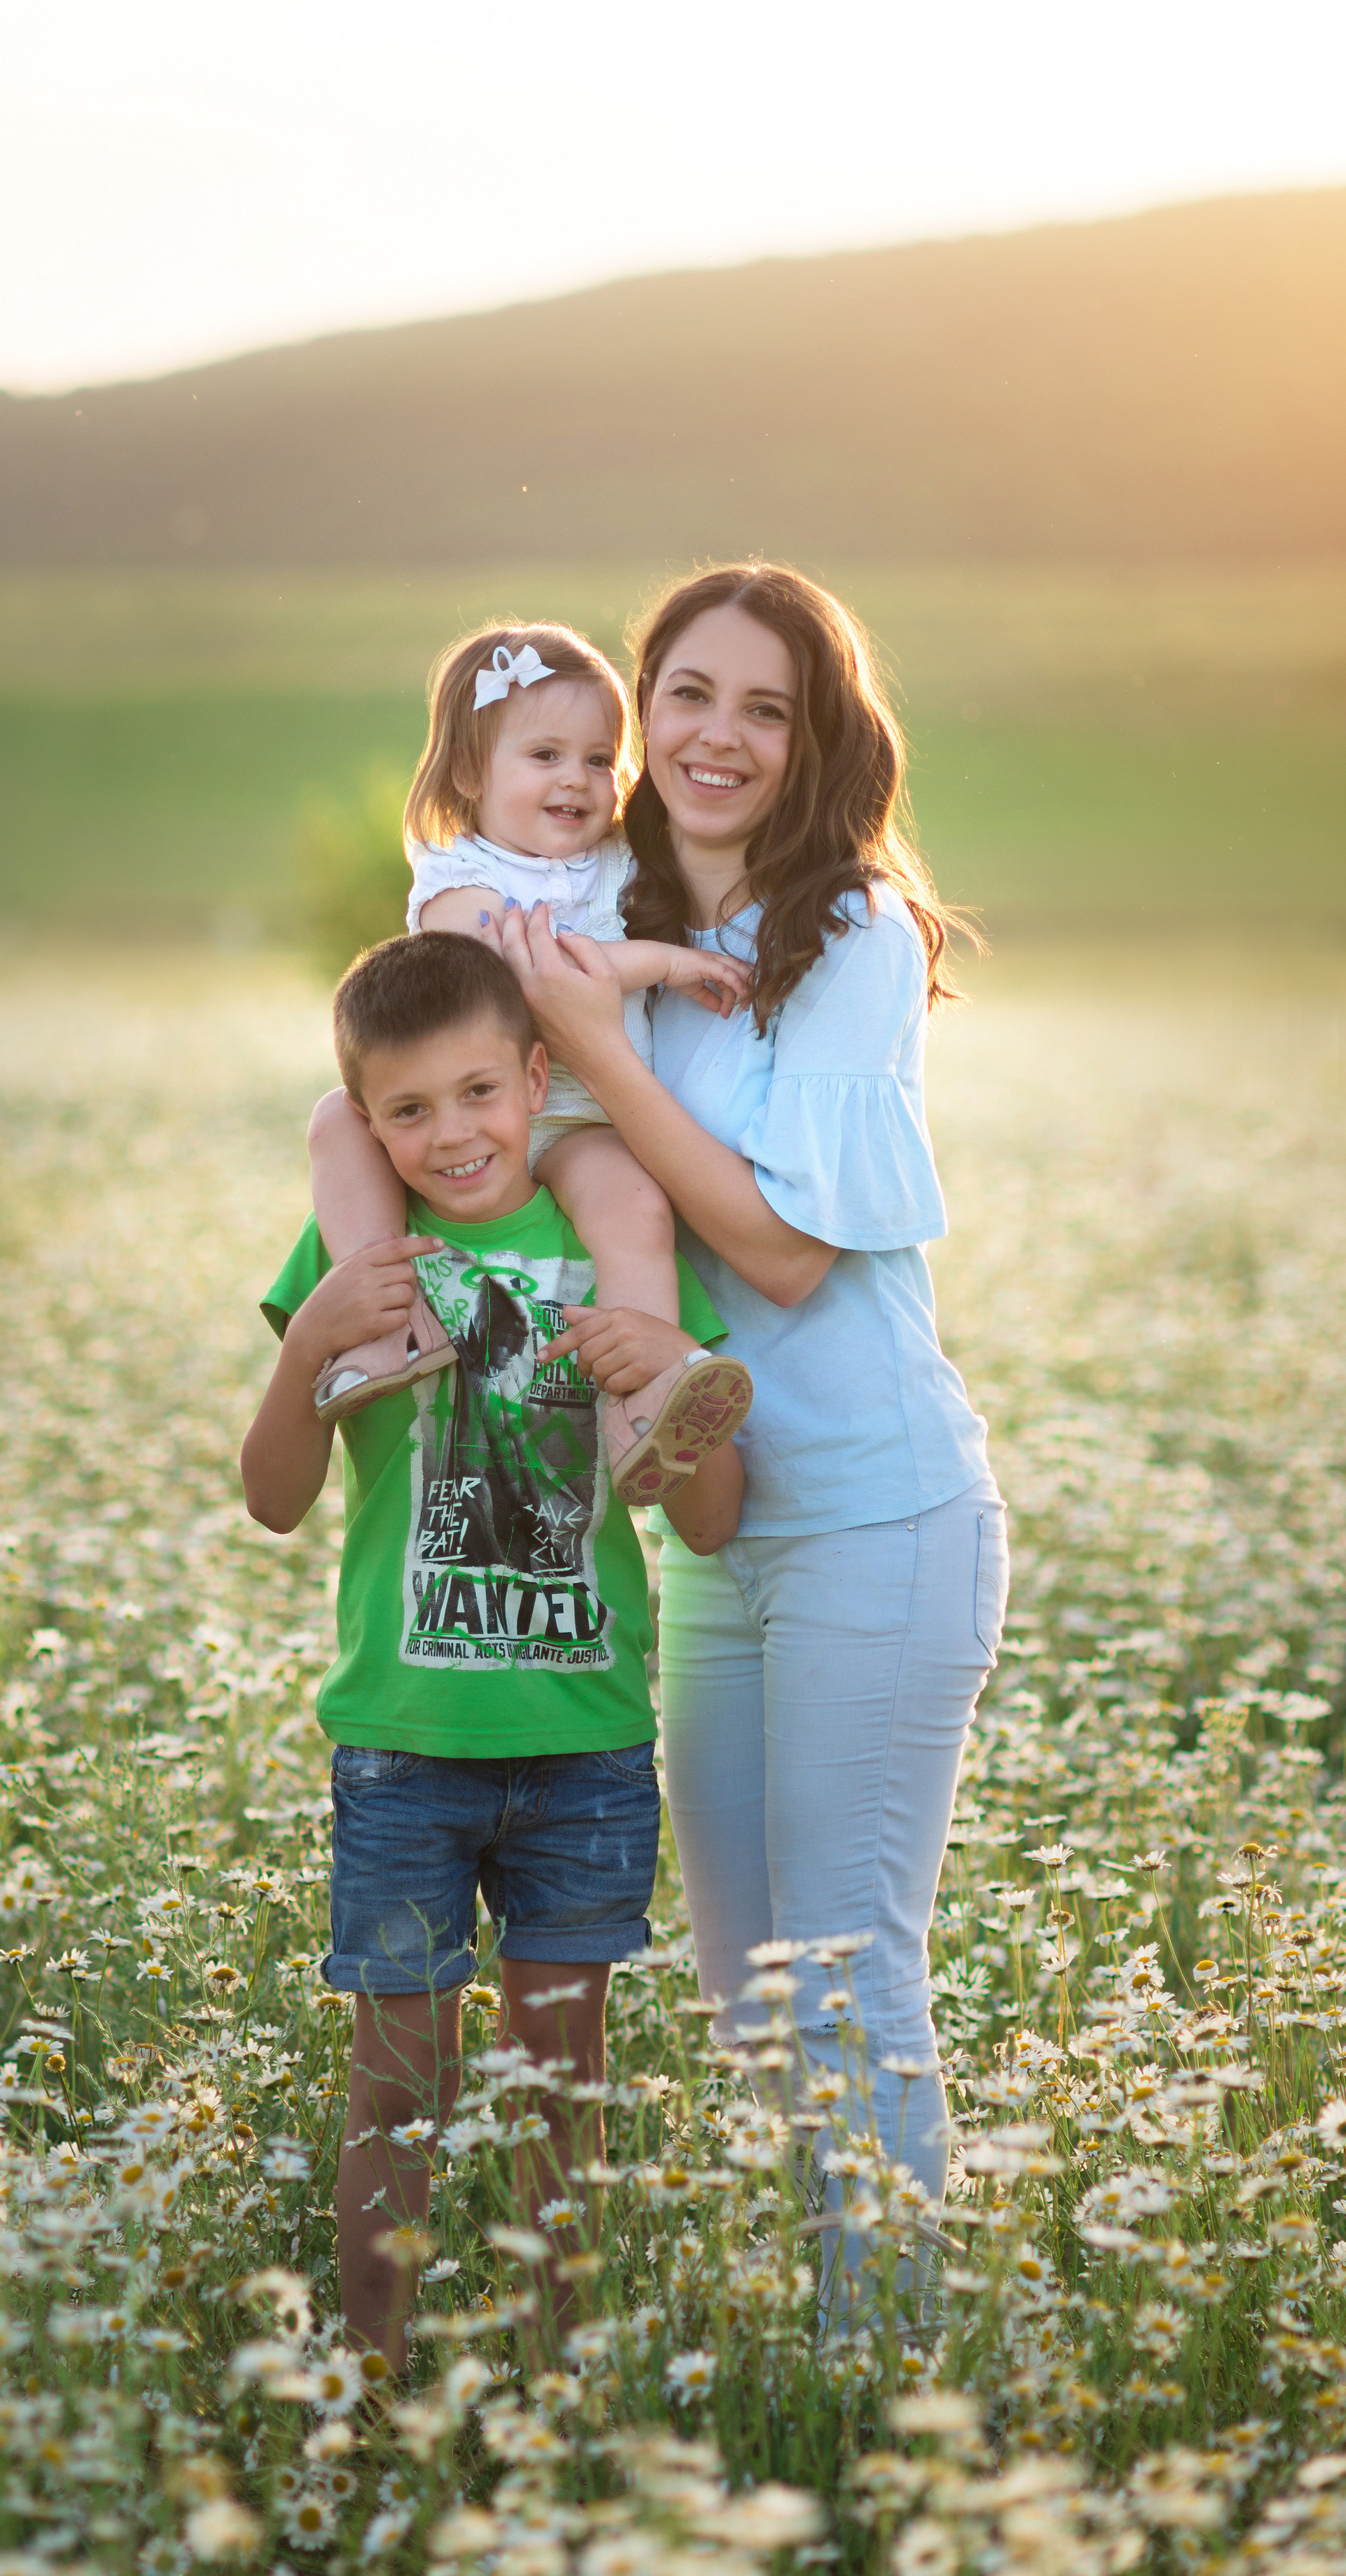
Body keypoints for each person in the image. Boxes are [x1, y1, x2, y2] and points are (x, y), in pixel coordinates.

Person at [500, 563, 1011, 2267]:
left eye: (765, 706)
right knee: (744, 1998)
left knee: (850, 1967)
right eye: (689, 696)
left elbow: (785, 1251)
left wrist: (595, 1034)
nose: (717, 736)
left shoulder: (848, 931)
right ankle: (826, 2359)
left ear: (814, 741)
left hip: (876, 1514)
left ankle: (902, 2387)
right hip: (719, 1530)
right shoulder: (616, 916)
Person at [240, 930, 745, 2371]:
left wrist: (658, 1379)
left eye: (476, 1094)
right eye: (407, 1111)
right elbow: (271, 1498)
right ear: (366, 1124)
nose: (449, 1134)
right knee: (395, 2083)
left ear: (537, 1078)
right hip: (405, 1750)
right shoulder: (358, 1259)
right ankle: (377, 2367)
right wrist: (307, 1352)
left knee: (559, 2084)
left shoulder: (610, 1253)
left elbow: (707, 1517)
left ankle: (555, 2363)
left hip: (584, 1745)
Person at [304, 621, 754, 1505]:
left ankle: (643, 1405)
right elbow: (534, 976)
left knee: (633, 1206)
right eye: (545, 755)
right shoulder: (457, 878)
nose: (576, 781)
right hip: (474, 1109)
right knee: (334, 1120)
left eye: (597, 759)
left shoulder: (619, 863)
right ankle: (377, 1333)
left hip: (582, 1113)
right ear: (472, 773)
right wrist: (665, 963)